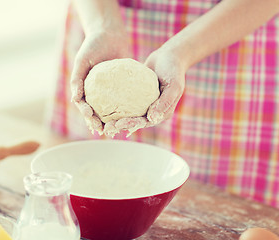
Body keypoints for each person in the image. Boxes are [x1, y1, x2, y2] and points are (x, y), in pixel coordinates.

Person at [48, 0, 279, 208]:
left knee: (210, 207)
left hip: (229, 35)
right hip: (100, 22)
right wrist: (103, 26)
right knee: (94, 188)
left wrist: (181, 51)